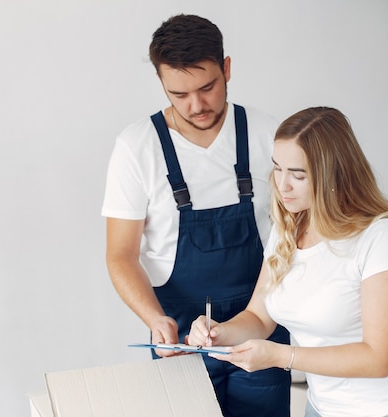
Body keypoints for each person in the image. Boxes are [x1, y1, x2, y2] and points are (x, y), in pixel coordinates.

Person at [102, 13, 290, 417]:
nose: (197, 105)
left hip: (261, 325)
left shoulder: (266, 134)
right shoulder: (137, 147)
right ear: (162, 83)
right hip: (181, 335)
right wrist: (156, 319)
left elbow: (296, 230)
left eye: (207, 88)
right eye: (179, 94)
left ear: (226, 68)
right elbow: (120, 254)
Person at [187, 106, 388, 417]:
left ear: (333, 174)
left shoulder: (379, 238)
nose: (282, 185)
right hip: (321, 407)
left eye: (297, 174)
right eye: (277, 168)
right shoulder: (288, 227)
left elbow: (378, 358)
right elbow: (259, 318)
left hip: (383, 409)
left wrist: (280, 356)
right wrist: (218, 332)